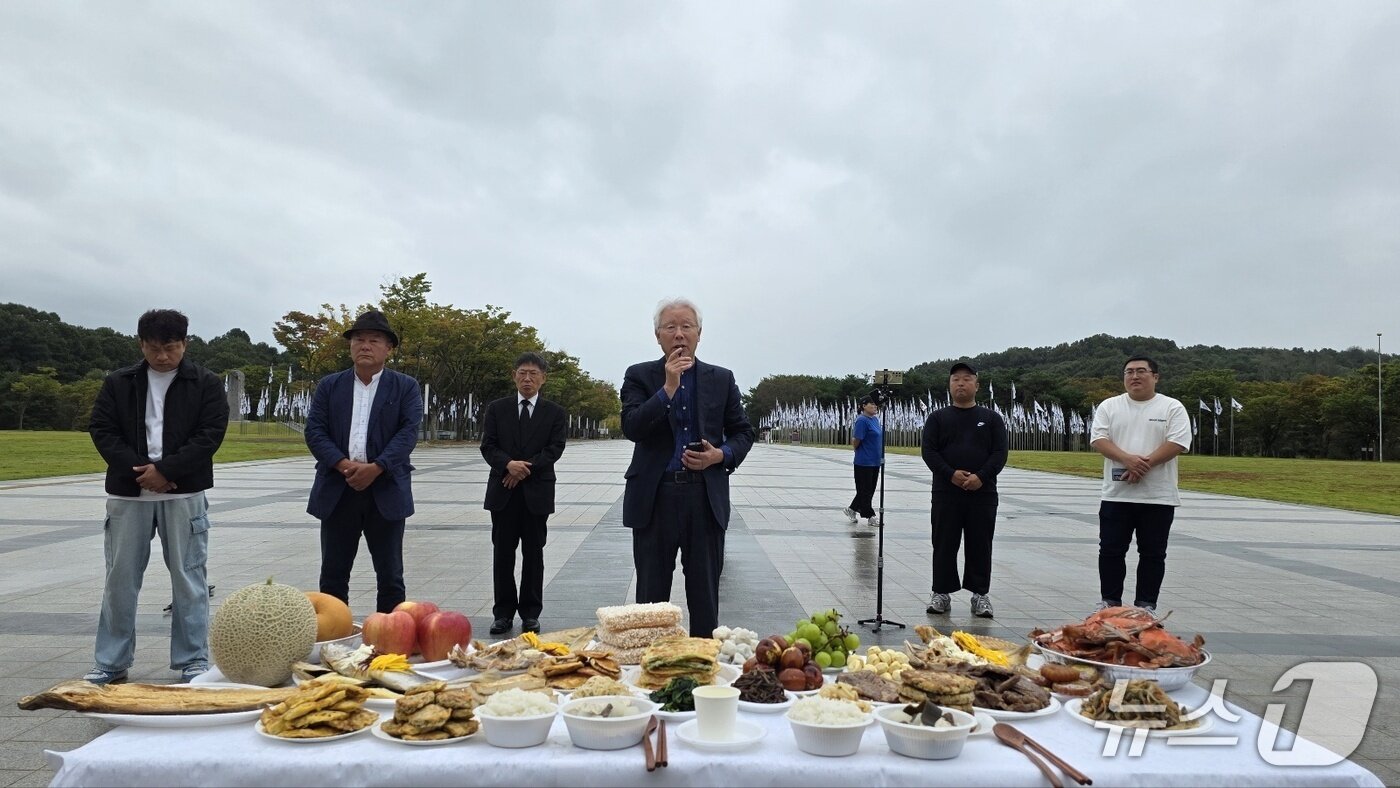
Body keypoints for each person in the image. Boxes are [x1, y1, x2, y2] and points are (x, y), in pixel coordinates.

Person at [86, 309, 229, 685]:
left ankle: (192, 659)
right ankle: (111, 661)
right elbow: (102, 429)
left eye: (170, 348)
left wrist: (167, 471)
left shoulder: (206, 383)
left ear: (185, 343)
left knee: (189, 577)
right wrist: (142, 471)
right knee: (120, 579)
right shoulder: (120, 382)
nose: (162, 357)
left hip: (184, 495)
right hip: (128, 496)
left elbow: (210, 434)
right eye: (153, 349)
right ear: (141, 345)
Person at [621, 298, 755, 636]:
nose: (679, 334)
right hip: (656, 497)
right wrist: (668, 388)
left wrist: (719, 455)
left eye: (686, 327)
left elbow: (743, 432)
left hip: (703, 497)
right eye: (670, 327)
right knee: (651, 602)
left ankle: (704, 668)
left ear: (699, 333)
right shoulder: (639, 376)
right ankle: (650, 667)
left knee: (705, 596)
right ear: (657, 336)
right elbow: (633, 427)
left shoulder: (721, 379)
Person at [305, 310, 422, 614]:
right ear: (350, 346)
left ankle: (391, 642)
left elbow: (408, 433)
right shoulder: (330, 386)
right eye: (359, 340)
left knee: (391, 576)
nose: (365, 346)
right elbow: (315, 431)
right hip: (338, 488)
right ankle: (335, 638)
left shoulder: (405, 387)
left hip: (386, 489)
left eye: (374, 340)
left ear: (388, 349)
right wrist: (343, 465)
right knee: (332, 574)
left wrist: (377, 467)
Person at [1089, 355, 1191, 614]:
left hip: (1157, 496)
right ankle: (1109, 603)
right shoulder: (1110, 406)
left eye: (1141, 371)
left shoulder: (1172, 407)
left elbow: (1178, 442)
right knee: (1111, 550)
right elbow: (1099, 439)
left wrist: (1143, 464)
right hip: (1117, 495)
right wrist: (1127, 460)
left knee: (1153, 553)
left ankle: (1146, 606)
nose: (1134, 376)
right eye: (1129, 372)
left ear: (1155, 376)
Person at [480, 352, 568, 635]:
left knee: (534, 554)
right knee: (502, 554)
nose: (527, 378)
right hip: (503, 493)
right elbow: (488, 446)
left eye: (533, 374)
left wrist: (522, 469)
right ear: (514, 375)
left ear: (543, 378)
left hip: (536, 494)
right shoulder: (497, 408)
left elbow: (555, 449)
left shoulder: (555, 413)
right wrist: (508, 464)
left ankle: (531, 613)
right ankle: (502, 613)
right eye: (522, 373)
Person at [921, 362, 1007, 619]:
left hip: (983, 493)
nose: (961, 383)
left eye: (967, 379)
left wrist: (982, 476)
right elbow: (929, 452)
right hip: (946, 492)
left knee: (981, 543)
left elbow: (999, 453)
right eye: (956, 379)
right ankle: (941, 593)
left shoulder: (991, 419)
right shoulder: (937, 418)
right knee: (944, 543)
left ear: (976, 386)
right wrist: (951, 474)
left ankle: (980, 594)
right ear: (949, 386)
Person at [843, 397, 883, 527]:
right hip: (864, 462)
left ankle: (852, 509)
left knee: (868, 490)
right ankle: (870, 516)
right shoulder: (862, 420)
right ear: (864, 406)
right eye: (872, 404)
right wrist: (857, 450)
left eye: (875, 404)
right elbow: (856, 440)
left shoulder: (875, 420)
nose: (875, 406)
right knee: (864, 490)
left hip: (875, 461)